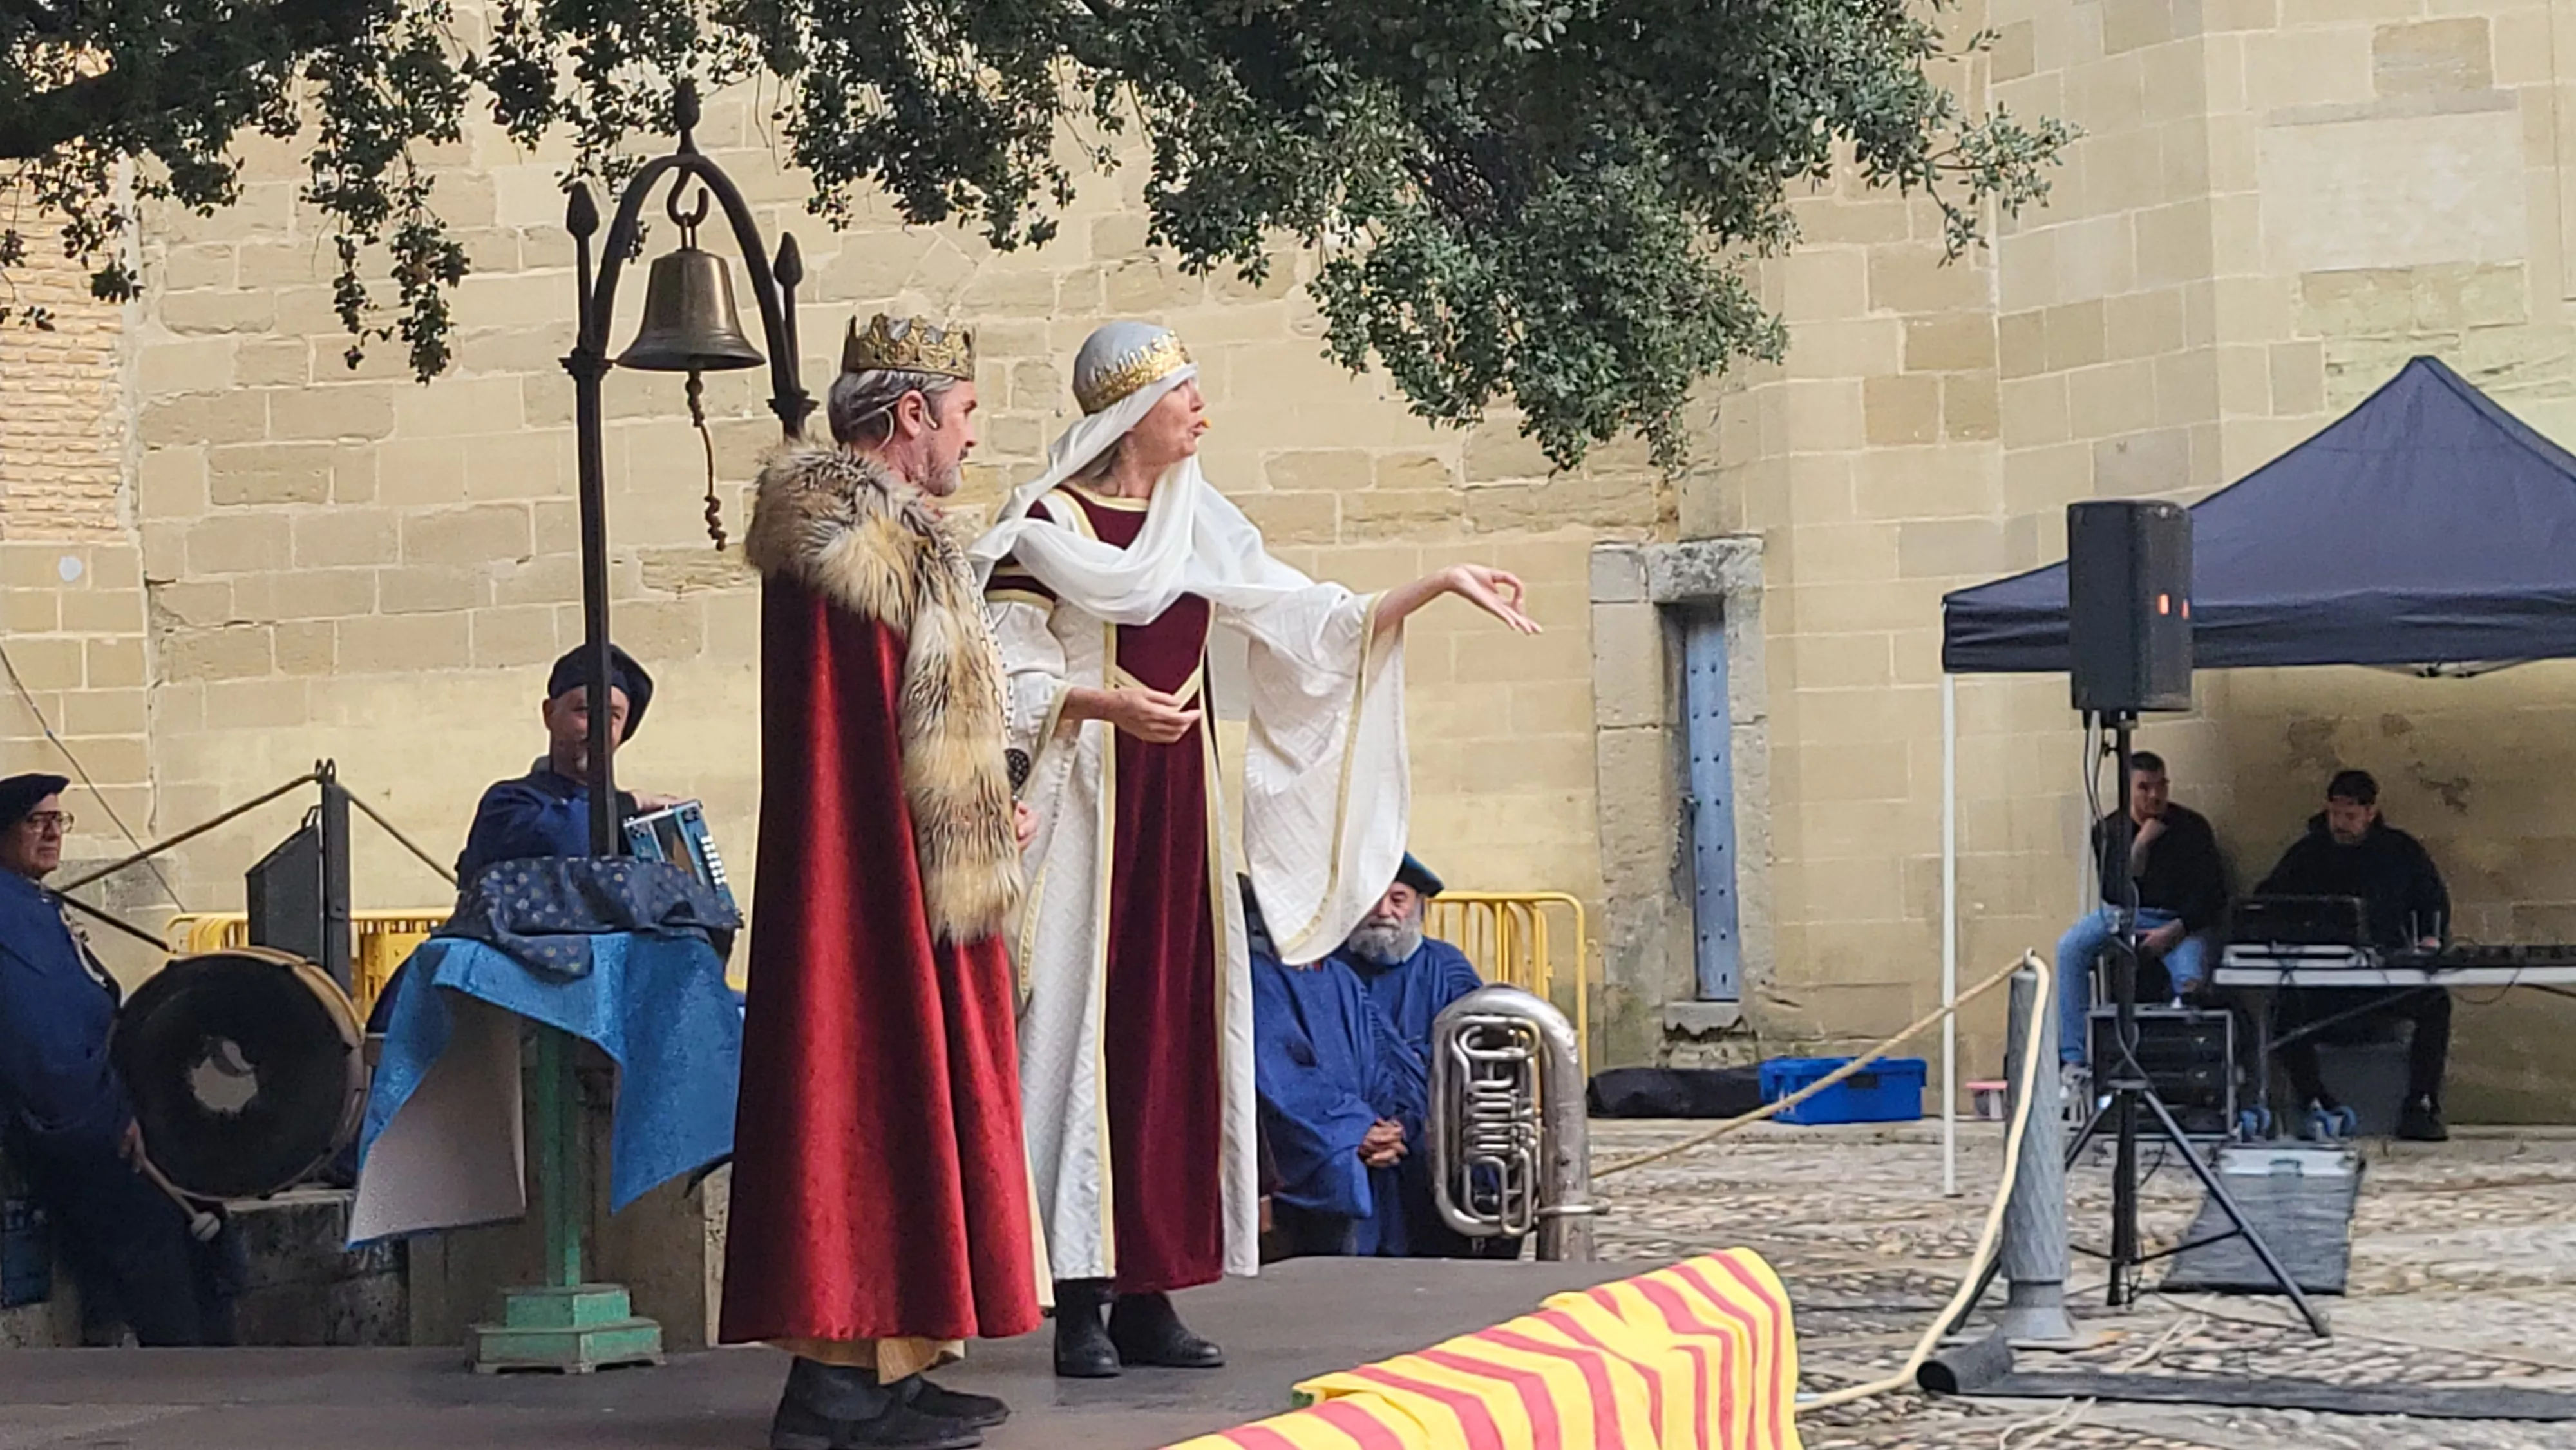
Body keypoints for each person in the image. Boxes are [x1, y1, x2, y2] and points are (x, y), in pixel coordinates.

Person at [974, 321, 1540, 1379]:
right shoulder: (1043, 526)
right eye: (1187, 394)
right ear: (1135, 410)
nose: (1203, 412)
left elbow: (1307, 623)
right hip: (1088, 803)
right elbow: (1000, 673)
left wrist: (1429, 585)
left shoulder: (1200, 521)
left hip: (1179, 808)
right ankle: (1080, 1297)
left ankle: (1151, 1290)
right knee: (1082, 1037)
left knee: (1171, 1035)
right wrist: (1097, 702)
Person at [723, 314, 1043, 1450]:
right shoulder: (852, 549)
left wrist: (982, 796)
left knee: (917, 1101)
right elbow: (859, 750)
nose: (969, 441)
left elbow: (917, 717)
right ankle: (837, 1387)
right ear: (910, 417)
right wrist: (954, 818)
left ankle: (894, 1360)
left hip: (912, 860)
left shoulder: (888, 542)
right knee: (870, 1095)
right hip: (879, 885)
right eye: (962, 416)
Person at [0, 773, 237, 1345]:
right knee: (152, 1231)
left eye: (59, 821)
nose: (53, 833)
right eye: (37, 822)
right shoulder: (9, 918)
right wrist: (112, 1121)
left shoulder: (34, 905)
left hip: (102, 1106)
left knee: (206, 1202)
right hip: (70, 1126)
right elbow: (40, 1046)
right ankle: (183, 1368)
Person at [2255, 769, 2452, 1142]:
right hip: (2323, 982)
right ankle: (2314, 1102)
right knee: (2283, 1010)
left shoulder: (2400, 851)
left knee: (2435, 1003)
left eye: (2350, 816)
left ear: (2370, 812)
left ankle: (2421, 1105)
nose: (2340, 824)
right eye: (2335, 814)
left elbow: (2433, 900)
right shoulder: (2308, 852)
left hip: (2382, 980)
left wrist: (2430, 940)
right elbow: (2268, 898)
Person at [1248, 878, 1425, 1259]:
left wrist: (1396, 1124)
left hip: (1368, 1141)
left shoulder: (1339, 977)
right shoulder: (1256, 975)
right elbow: (1278, 1072)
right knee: (1338, 1170)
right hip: (1310, 1146)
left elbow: (1386, 1059)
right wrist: (1355, 1129)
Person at [2054, 751, 2226, 1078]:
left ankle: (2188, 1073)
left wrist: (2175, 930)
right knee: (2070, 948)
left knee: (2189, 977)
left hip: (2179, 921)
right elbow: (2114, 893)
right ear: (2127, 789)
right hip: (2127, 913)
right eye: (2144, 788)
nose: (2155, 796)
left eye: (2161, 786)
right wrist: (2139, 848)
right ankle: (2074, 1058)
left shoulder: (2192, 827)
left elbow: (2212, 894)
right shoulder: (2108, 830)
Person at [454, 643, 675, 885]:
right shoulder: (508, 805)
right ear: (550, 714)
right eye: (584, 710)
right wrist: (631, 804)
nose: (599, 728)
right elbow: (561, 839)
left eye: (613, 716)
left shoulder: (639, 824)